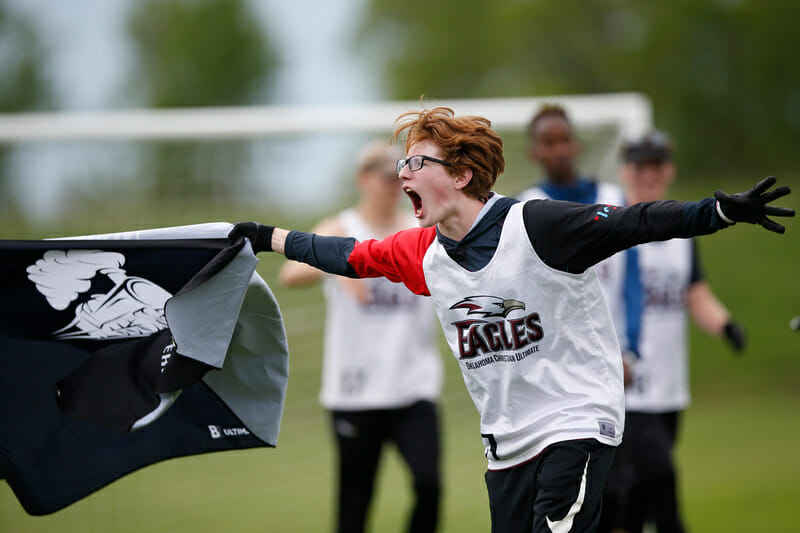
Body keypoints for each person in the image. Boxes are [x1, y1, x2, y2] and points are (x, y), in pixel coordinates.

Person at [228, 107, 793, 533]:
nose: (403, 174)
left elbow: (633, 222)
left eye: (416, 162)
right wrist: (269, 239)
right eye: (402, 163)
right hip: (507, 446)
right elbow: (346, 253)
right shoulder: (419, 253)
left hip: (577, 421)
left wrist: (717, 212)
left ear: (461, 176)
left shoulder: (538, 227)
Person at [277, 140, 443, 533]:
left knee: (429, 484)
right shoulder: (341, 229)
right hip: (356, 390)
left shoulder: (418, 228)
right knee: (355, 501)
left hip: (413, 384)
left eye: (398, 178)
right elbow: (290, 274)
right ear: (363, 179)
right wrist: (337, 266)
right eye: (385, 177)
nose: (393, 186)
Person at [599, 131, 746, 533]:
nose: (649, 174)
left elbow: (694, 293)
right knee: (660, 479)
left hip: (669, 385)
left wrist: (726, 324)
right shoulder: (609, 229)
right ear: (625, 171)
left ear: (668, 171)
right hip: (627, 382)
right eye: (640, 166)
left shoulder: (682, 233)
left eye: (656, 166)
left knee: (637, 494)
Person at [518, 103, 643, 379]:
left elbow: (632, 281)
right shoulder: (524, 208)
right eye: (549, 143)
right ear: (534, 153)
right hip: (556, 365)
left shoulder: (615, 200)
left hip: (615, 359)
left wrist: (631, 352)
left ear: (577, 145)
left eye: (565, 140)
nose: (560, 150)